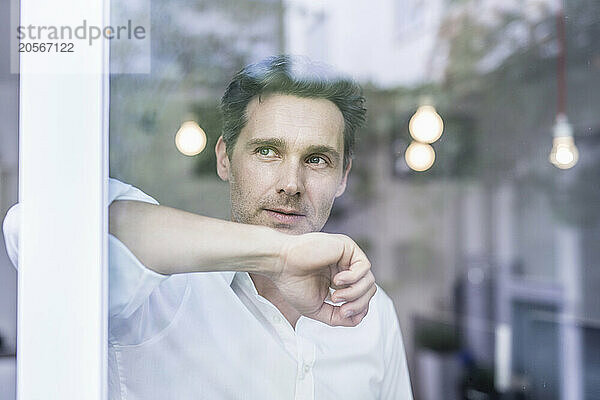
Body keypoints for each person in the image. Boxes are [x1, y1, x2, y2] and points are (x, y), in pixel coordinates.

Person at [3, 55, 413, 399]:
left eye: (317, 159)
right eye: (267, 151)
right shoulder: (156, 295)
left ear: (343, 176)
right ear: (224, 159)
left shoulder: (373, 316)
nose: (292, 183)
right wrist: (280, 254)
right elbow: (40, 228)